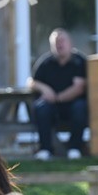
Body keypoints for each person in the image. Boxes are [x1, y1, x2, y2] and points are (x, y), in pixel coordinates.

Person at [27, 28, 88, 160]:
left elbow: (79, 87)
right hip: (52, 105)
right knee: (41, 108)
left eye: (62, 41)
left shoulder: (80, 61)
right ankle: (45, 149)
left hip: (73, 104)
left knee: (80, 107)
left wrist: (58, 98)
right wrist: (45, 89)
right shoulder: (45, 62)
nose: (59, 45)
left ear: (70, 43)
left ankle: (74, 148)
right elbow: (32, 81)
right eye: (56, 42)